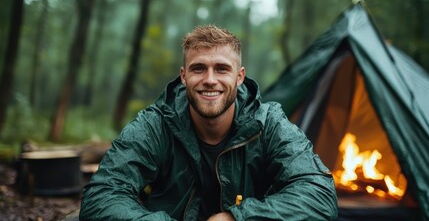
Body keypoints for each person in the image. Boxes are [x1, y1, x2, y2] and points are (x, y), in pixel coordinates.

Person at [79, 25, 338, 220]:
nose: (210, 79)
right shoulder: (155, 125)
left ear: (239, 77)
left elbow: (319, 195)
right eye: (198, 68)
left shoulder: (268, 123)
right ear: (183, 76)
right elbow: (100, 196)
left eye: (222, 69)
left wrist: (237, 217)